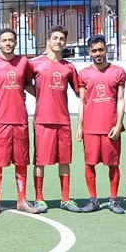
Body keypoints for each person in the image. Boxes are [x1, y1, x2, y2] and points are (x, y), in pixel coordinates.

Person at [0, 29, 39, 215]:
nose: (8, 43)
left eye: (11, 40)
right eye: (4, 40)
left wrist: (46, 98)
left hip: (20, 120)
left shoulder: (24, 63)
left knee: (21, 161)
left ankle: (21, 200)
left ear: (15, 43)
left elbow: (30, 85)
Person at [31, 26, 82, 213]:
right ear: (48, 41)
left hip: (63, 121)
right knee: (40, 161)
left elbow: (80, 92)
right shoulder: (35, 64)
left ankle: (65, 199)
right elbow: (26, 83)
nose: (58, 41)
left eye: (61, 39)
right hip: (42, 120)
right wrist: (38, 94)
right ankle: (39, 198)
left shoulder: (69, 67)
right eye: (55, 38)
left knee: (64, 161)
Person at [76, 35, 126, 214]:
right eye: (94, 50)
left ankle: (113, 200)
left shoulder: (118, 72)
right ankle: (93, 200)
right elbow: (82, 102)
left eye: (101, 50)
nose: (98, 53)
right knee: (89, 164)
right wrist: (80, 126)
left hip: (110, 128)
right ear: (89, 52)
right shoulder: (83, 74)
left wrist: (119, 124)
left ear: (106, 50)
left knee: (113, 164)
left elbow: (120, 99)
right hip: (90, 128)